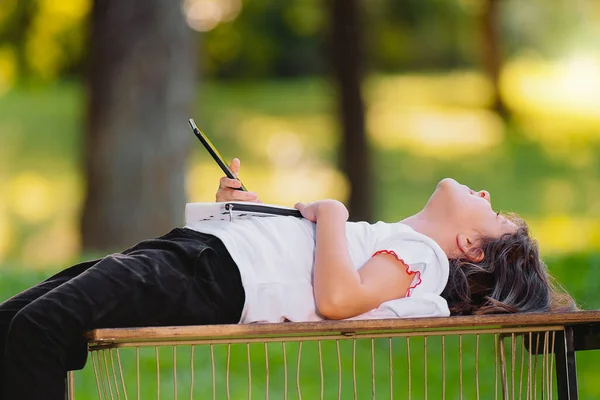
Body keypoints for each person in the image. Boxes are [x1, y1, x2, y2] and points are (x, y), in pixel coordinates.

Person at [0, 158, 574, 399]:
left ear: (470, 249)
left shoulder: (423, 258)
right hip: (196, 256)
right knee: (12, 323)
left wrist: (333, 213)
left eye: (494, 214)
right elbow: (291, 258)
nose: (486, 195)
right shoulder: (389, 238)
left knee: (41, 329)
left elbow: (339, 298)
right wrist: (235, 208)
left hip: (210, 277)